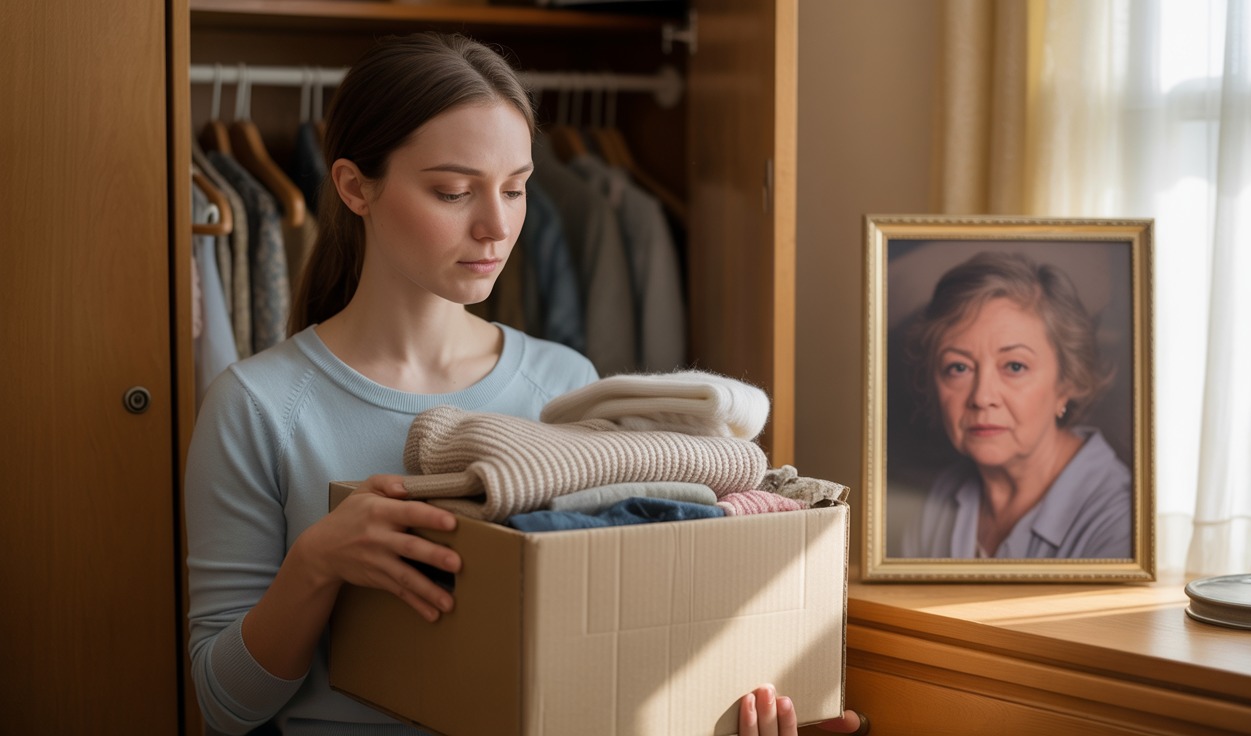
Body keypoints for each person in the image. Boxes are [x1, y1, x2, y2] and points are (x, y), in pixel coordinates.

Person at [185, 31, 861, 735]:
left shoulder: (566, 386)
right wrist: (316, 563)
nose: (497, 226)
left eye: (516, 188)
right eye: (454, 192)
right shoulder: (257, 407)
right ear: (356, 186)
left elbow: (606, 652)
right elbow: (225, 707)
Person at [898, 251, 1132, 559]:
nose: (982, 397)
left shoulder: (1120, 519)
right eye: (958, 368)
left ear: (1068, 381)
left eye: (1015, 367)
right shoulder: (942, 496)